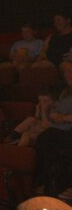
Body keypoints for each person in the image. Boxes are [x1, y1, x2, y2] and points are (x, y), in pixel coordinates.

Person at [33, 62, 72, 197]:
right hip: (59, 129)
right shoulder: (65, 92)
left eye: (70, 71)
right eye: (66, 72)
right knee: (44, 138)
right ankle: (50, 183)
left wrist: (64, 118)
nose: (67, 75)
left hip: (67, 129)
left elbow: (63, 117)